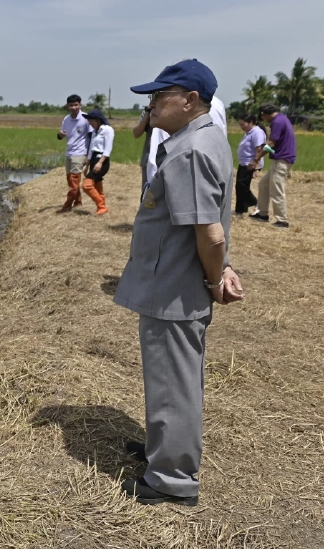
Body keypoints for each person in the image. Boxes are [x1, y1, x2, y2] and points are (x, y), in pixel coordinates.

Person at [113, 59, 244, 506]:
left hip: (174, 288)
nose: (150, 105)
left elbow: (211, 233)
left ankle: (171, 480)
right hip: (174, 281)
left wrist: (216, 277)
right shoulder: (204, 138)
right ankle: (164, 449)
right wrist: (224, 267)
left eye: (158, 96)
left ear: (189, 100)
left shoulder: (190, 151)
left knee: (174, 382)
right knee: (175, 377)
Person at [250, 103, 297, 228]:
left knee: (276, 189)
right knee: (264, 184)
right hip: (281, 159)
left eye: (262, 117)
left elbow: (271, 143)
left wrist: (257, 158)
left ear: (263, 114)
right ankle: (262, 213)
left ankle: (282, 220)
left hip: (281, 160)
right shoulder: (282, 118)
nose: (264, 120)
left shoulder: (276, 122)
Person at [56, 94, 89, 212]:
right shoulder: (66, 119)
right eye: (71, 105)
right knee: (71, 181)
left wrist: (88, 156)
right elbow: (60, 136)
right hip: (69, 153)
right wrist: (60, 134)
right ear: (67, 106)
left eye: (76, 105)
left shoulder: (85, 118)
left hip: (80, 153)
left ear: (80, 105)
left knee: (74, 181)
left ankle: (67, 205)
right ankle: (78, 202)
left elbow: (91, 136)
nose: (74, 107)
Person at [81, 109, 114, 215]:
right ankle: (102, 208)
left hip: (102, 160)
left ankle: (101, 205)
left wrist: (100, 163)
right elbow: (91, 148)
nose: (90, 123)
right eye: (89, 121)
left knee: (87, 185)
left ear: (98, 120)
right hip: (94, 159)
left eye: (91, 121)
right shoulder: (95, 131)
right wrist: (87, 163)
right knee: (97, 184)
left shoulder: (108, 130)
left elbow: (108, 148)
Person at [234, 114, 266, 215]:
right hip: (244, 163)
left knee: (241, 186)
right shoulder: (249, 132)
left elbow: (259, 150)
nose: (241, 127)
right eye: (240, 124)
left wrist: (256, 167)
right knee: (240, 186)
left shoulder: (257, 132)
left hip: (250, 163)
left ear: (251, 122)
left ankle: (256, 202)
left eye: (243, 124)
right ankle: (240, 209)